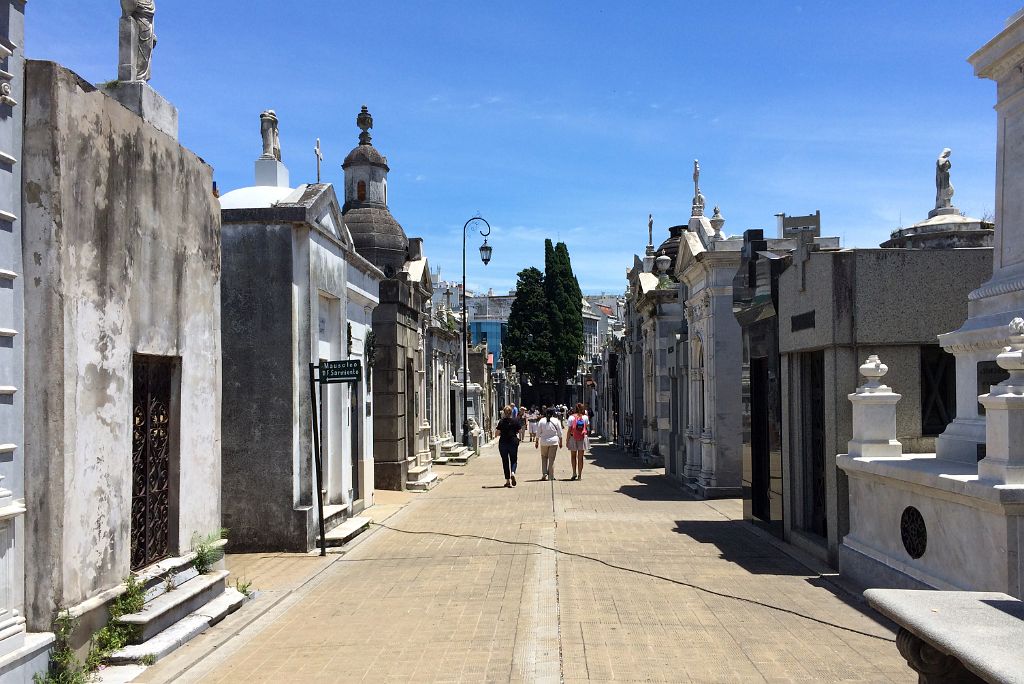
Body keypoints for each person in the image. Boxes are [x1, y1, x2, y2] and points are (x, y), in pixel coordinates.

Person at [494, 405, 523, 488]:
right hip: (513, 441)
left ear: (504, 412)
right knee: (514, 459)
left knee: (505, 461)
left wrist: (497, 435)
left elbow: (497, 433)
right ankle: (513, 473)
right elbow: (520, 431)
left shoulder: (501, 421)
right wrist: (519, 439)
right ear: (511, 412)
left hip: (503, 442)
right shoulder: (515, 421)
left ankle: (507, 481)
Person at [534, 408, 563, 481]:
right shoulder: (556, 420)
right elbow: (560, 432)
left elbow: (538, 432)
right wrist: (561, 442)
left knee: (544, 457)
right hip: (554, 442)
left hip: (544, 442)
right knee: (551, 459)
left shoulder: (542, 420)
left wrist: (536, 441)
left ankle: (544, 473)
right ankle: (551, 476)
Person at [566, 402, 590, 480]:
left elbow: (569, 430)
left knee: (573, 456)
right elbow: (587, 427)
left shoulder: (571, 417)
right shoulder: (585, 417)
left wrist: (567, 440)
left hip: (573, 438)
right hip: (582, 438)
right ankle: (580, 475)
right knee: (581, 457)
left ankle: (574, 473)